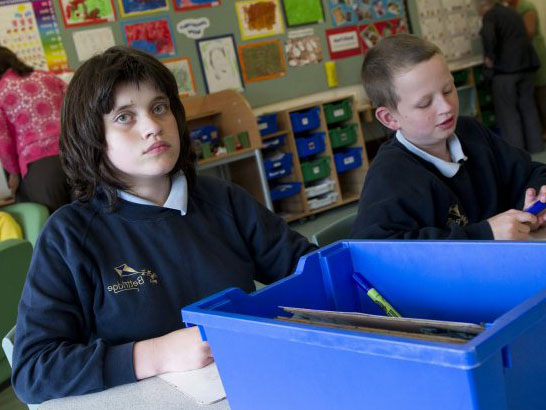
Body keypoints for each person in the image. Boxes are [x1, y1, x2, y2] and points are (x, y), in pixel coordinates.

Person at [11, 46, 317, 404]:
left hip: (248, 390)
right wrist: (155, 354)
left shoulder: (224, 200)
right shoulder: (69, 235)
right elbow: (34, 369)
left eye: (159, 108)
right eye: (125, 117)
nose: (153, 127)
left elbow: (308, 273)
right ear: (92, 136)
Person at [350, 34, 546, 240]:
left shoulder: (471, 132)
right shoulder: (389, 175)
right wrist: (484, 235)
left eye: (448, 89)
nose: (446, 107)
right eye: (425, 103)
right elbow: (376, 250)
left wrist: (537, 197)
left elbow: (529, 173)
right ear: (389, 118)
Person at [0, 46, 71, 213]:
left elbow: (4, 141)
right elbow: (74, 107)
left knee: (56, 221)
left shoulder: (1, 89)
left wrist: (14, 173)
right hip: (76, 153)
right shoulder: (46, 76)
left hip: (40, 163)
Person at [476, 0, 543, 153]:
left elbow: (489, 37)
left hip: (505, 70)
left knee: (508, 113)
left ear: (481, 6)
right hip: (526, 66)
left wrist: (489, 58)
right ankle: (537, 147)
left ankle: (517, 152)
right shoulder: (511, 11)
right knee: (529, 108)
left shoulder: (490, 16)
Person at [507, 0, 546, 135]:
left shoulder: (526, 6)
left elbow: (529, 31)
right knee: (531, 96)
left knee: (542, 95)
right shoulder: (510, 8)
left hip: (535, 55)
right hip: (522, 60)